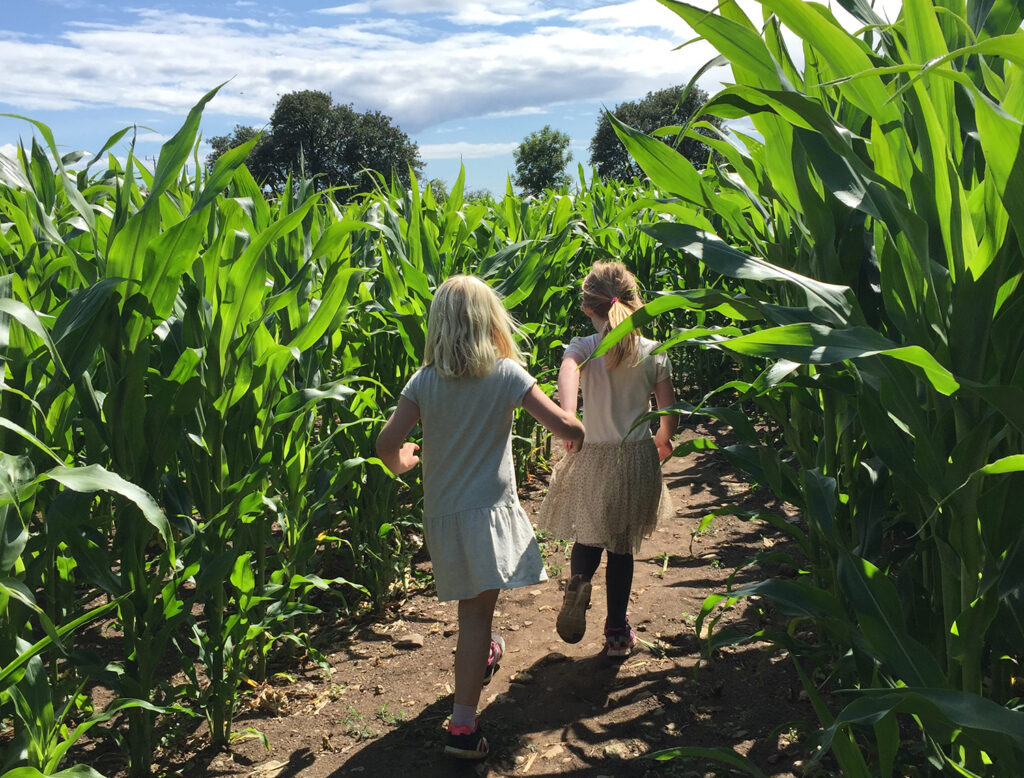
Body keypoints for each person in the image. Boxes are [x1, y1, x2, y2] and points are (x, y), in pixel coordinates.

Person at [376, 275, 585, 760]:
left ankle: (486, 653)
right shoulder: (508, 374)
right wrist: (579, 424)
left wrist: (404, 461)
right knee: (475, 615)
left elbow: (387, 444)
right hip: (487, 513)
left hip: (446, 516)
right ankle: (463, 726)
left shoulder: (424, 381)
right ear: (490, 320)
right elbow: (563, 426)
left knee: (473, 611)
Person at [536, 260, 676, 658]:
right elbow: (669, 412)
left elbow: (568, 372)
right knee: (621, 546)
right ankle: (616, 631)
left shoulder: (583, 346)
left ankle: (579, 579)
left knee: (588, 532)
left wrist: (568, 419)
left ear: (587, 308)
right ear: (636, 303)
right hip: (634, 458)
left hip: (592, 454)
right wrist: (663, 441)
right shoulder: (653, 351)